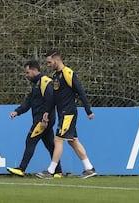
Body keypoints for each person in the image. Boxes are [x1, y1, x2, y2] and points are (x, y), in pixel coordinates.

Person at [36, 50, 97, 179]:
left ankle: (51, 171)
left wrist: (88, 110)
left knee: (58, 139)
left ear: (57, 60)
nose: (47, 65)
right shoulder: (56, 76)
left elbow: (81, 92)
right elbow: (54, 97)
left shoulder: (68, 74)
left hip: (68, 113)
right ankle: (89, 168)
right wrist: (47, 111)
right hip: (62, 112)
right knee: (73, 141)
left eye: (49, 62)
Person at [6, 60, 62, 178]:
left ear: (34, 70)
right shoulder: (36, 84)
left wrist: (45, 119)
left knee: (30, 140)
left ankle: (21, 169)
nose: (26, 75)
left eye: (27, 72)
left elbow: (51, 100)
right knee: (50, 146)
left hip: (42, 120)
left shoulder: (45, 82)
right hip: (43, 120)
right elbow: (29, 101)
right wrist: (17, 111)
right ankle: (58, 172)